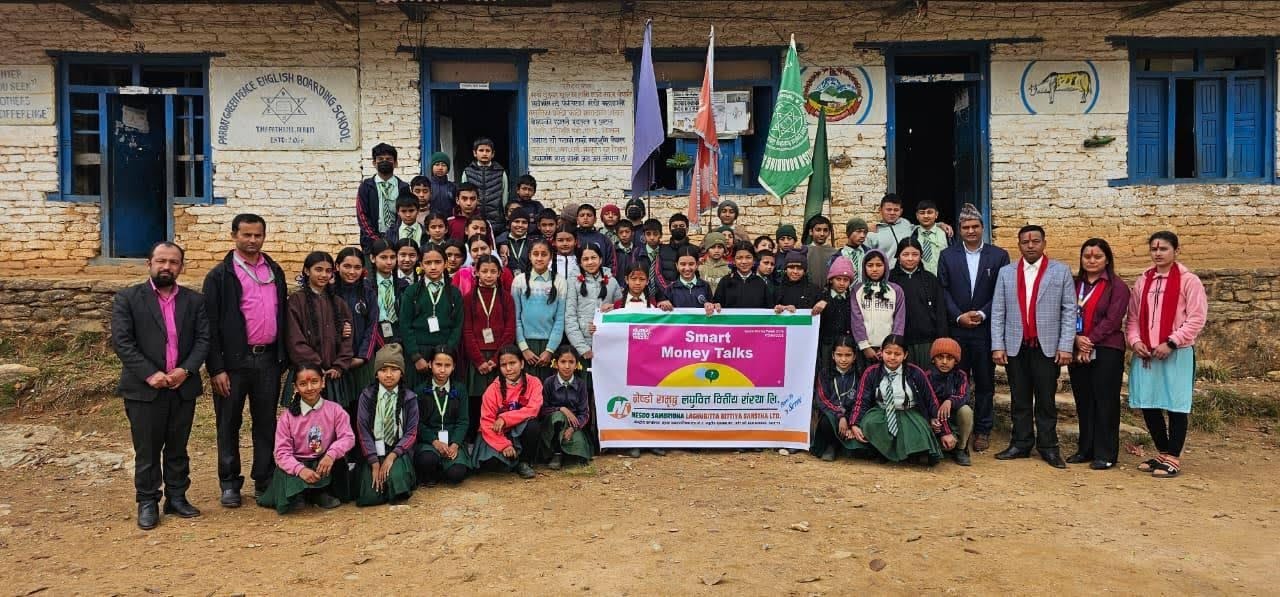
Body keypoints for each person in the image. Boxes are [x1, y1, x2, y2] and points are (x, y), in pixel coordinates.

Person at [111, 241, 209, 530]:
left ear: (181, 267)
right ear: (149, 264)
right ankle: (147, 501)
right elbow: (123, 342)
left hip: (182, 387)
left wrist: (186, 370)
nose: (167, 267)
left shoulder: (194, 301)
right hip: (144, 389)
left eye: (173, 262)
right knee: (148, 449)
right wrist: (149, 374)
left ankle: (176, 497)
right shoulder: (128, 299)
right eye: (161, 261)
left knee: (178, 447)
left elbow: (203, 339)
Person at [203, 213, 288, 508]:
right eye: (246, 235)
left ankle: (264, 479)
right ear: (234, 236)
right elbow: (210, 326)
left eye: (258, 235)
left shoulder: (274, 271)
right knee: (229, 422)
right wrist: (216, 368)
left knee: (266, 422)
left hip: (267, 361)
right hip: (233, 364)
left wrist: (282, 358)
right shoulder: (219, 276)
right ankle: (229, 483)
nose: (252, 240)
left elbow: (282, 313)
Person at [991, 225, 1077, 469]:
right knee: (1019, 398)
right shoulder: (1006, 272)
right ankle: (1021, 442)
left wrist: (1066, 345)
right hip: (1016, 345)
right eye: (1025, 242)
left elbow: (1069, 310)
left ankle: (1049, 446)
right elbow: (998, 310)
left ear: (1044, 243)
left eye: (1035, 241)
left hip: (1046, 345)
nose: (1030, 246)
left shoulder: (1060, 271)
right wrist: (997, 345)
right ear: (1018, 245)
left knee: (1046, 399)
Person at [1125, 231, 1207, 479]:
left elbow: (1196, 318)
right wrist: (1136, 341)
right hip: (1147, 354)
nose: (1158, 253)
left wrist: (1171, 342)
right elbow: (1133, 317)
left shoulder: (1189, 281)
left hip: (1176, 353)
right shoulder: (1144, 281)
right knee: (1148, 402)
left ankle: (1173, 456)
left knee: (1176, 404)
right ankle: (1162, 452)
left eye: (1163, 249)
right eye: (1154, 249)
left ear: (1176, 251)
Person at [937, 203, 1009, 452]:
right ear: (959, 230)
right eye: (966, 227)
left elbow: (1001, 291)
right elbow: (943, 290)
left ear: (982, 228)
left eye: (975, 226)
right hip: (957, 330)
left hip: (984, 329)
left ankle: (983, 430)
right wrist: (958, 316)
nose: (970, 231)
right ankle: (957, 428)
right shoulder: (948, 255)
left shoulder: (998, 256)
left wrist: (981, 313)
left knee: (985, 382)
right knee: (955, 380)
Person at [1067, 238, 1131, 471]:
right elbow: (1065, 313)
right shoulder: (1074, 284)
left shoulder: (1117, 286)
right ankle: (1085, 449)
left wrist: (1089, 341)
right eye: (1087, 256)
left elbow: (1113, 320)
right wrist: (1076, 340)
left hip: (1106, 349)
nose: (1091, 260)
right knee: (1083, 400)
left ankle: (1106, 453)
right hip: (1076, 347)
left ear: (1107, 260)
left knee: (1105, 401)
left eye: (1097, 256)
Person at [258, 364, 355, 514]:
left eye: (314, 382)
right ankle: (303, 493)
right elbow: (282, 453)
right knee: (285, 474)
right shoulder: (287, 417)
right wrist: (300, 470)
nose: (310, 388)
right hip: (297, 464)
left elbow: (348, 437)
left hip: (324, 463)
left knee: (338, 465)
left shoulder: (335, 410)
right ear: (295, 387)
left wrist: (331, 455)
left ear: (323, 382)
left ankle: (318, 493)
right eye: (303, 384)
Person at [846, 335, 955, 465]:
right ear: (881, 352)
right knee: (869, 424)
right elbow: (861, 400)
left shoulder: (916, 372)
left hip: (909, 413)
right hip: (881, 413)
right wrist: (854, 424)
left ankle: (908, 453)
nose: (892, 357)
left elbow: (931, 401)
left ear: (905, 355)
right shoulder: (872, 372)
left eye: (897, 354)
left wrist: (945, 432)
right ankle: (884, 451)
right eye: (888, 353)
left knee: (918, 434)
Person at [284, 251, 355, 407]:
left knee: (333, 417)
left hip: (334, 375)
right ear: (306, 271)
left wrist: (339, 365)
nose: (324, 275)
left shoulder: (338, 303)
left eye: (328, 271)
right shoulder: (296, 301)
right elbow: (294, 339)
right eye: (318, 269)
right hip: (307, 373)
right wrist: (316, 365)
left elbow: (348, 339)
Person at [355, 344, 419, 505]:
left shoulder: (410, 398)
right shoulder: (367, 396)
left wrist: (392, 456)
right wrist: (374, 463)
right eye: (383, 370)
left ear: (402, 373)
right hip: (373, 451)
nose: (389, 375)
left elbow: (411, 432)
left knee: (398, 487)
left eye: (394, 369)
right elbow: (363, 431)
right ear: (376, 373)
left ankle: (399, 478)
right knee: (370, 497)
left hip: (398, 451)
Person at [462, 254, 517, 439]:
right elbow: (467, 330)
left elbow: (509, 330)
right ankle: (475, 439)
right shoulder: (468, 298)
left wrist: (496, 359)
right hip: (476, 358)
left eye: (493, 271)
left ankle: (499, 436)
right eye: (484, 271)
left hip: (499, 357)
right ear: (476, 272)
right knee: (476, 398)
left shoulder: (506, 298)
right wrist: (479, 360)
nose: (488, 275)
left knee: (499, 398)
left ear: (500, 273)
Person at [400, 246, 464, 391]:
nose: (433, 267)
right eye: (428, 263)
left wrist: (446, 354)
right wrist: (416, 356)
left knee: (443, 395)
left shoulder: (454, 293)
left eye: (438, 262)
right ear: (421, 265)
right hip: (419, 353)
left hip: (445, 354)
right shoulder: (412, 292)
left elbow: (457, 326)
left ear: (445, 263)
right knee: (417, 395)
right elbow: (405, 325)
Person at [475, 345, 544, 479]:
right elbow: (487, 422)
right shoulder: (492, 389)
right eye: (503, 365)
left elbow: (533, 409)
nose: (508, 368)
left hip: (521, 432)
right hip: (498, 433)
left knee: (533, 425)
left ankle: (524, 462)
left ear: (522, 363)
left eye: (512, 363)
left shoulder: (534, 383)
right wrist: (503, 445)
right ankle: (510, 458)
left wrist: (505, 418)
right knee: (492, 465)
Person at [413, 348, 473, 486]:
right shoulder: (420, 390)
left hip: (453, 441)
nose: (442, 370)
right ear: (430, 364)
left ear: (454, 367)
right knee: (427, 460)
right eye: (438, 364)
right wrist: (434, 442)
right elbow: (418, 423)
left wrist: (455, 444)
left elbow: (463, 421)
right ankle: (434, 470)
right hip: (430, 442)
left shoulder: (460, 389)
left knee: (456, 474)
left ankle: (445, 468)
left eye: (447, 365)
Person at [333, 247, 379, 425]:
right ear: (337, 266)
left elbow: (372, 326)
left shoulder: (368, 292)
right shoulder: (330, 291)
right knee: (339, 409)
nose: (352, 272)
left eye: (357, 267)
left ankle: (362, 442)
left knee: (362, 408)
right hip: (335, 362)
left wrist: (362, 356)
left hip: (361, 361)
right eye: (347, 266)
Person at [513, 239, 566, 382]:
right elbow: (516, 318)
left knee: (547, 388)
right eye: (535, 254)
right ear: (529, 256)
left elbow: (560, 319)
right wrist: (524, 348)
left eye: (544, 254)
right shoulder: (519, 281)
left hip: (550, 344)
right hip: (525, 344)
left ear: (551, 256)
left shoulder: (559, 281)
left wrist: (550, 350)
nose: (539, 258)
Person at [564, 243, 622, 376]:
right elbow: (569, 317)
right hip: (583, 345)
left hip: (608, 344)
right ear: (580, 262)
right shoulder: (573, 282)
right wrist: (582, 347)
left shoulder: (612, 281)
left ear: (600, 259)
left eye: (593, 258)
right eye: (585, 259)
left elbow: (621, 309)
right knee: (585, 383)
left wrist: (613, 308)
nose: (590, 262)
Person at [890, 238, 948, 367]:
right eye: (905, 254)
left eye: (915, 254)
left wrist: (942, 338)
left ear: (921, 256)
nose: (910, 258)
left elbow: (940, 311)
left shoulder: (930, 279)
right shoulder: (890, 279)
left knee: (926, 375)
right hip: (899, 341)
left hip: (927, 341)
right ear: (898, 256)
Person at [849, 250, 905, 373]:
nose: (874, 269)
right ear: (864, 267)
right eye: (870, 265)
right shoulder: (857, 290)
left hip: (889, 350)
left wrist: (891, 346)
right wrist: (865, 346)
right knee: (866, 378)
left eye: (879, 265)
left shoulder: (896, 290)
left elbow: (899, 320)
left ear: (886, 266)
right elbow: (856, 320)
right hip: (865, 348)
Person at [540, 346, 594, 469]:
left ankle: (569, 453)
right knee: (559, 417)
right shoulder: (549, 382)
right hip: (552, 425)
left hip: (573, 425)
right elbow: (543, 409)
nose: (567, 366)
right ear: (556, 363)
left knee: (579, 451)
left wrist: (573, 428)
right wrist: (561, 409)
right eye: (563, 362)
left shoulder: (580, 384)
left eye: (571, 362)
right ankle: (556, 453)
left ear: (577, 364)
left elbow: (584, 413)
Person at [810, 335, 861, 462]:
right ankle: (832, 445)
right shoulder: (825, 373)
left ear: (855, 356)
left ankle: (847, 445)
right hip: (833, 415)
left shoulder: (860, 374)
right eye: (839, 355)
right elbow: (822, 399)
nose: (843, 359)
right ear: (833, 355)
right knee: (826, 422)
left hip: (852, 416)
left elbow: (861, 401)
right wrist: (840, 416)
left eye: (848, 355)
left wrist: (851, 422)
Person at [925, 338, 974, 466]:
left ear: (956, 361)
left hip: (952, 418)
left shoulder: (961, 375)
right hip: (935, 420)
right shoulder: (926, 377)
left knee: (966, 411)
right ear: (933, 359)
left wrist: (950, 401)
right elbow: (928, 402)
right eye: (940, 357)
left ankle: (961, 448)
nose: (944, 362)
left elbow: (964, 396)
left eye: (950, 358)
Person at [357, 143, 412, 252]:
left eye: (388, 159)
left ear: (395, 163)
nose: (384, 161)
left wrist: (395, 236)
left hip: (397, 240)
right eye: (380, 159)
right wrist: (375, 239)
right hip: (371, 242)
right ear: (374, 163)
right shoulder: (366, 186)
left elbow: (406, 214)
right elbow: (362, 215)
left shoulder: (403, 187)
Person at [814, 256, 855, 369]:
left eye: (846, 280)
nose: (842, 283)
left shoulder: (852, 299)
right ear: (831, 279)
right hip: (826, 346)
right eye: (838, 279)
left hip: (846, 347)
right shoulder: (821, 297)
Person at [707, 242, 773, 312]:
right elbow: (716, 304)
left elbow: (770, 309)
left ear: (754, 260)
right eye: (739, 258)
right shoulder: (725, 281)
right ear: (734, 260)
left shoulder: (760, 283)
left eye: (748, 257)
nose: (744, 261)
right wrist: (714, 305)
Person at [460, 137, 509, 231]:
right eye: (481, 150)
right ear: (475, 153)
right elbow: (463, 195)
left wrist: (504, 216)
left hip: (496, 221)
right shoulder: (468, 172)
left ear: (493, 154)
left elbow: (504, 197)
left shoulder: (500, 172)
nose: (484, 153)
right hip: (474, 221)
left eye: (488, 151)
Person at [368, 239, 407, 345]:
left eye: (392, 257)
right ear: (372, 258)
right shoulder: (367, 286)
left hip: (399, 334)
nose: (389, 262)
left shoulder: (403, 285)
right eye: (383, 257)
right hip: (374, 334)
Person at [864, 193, 913, 268]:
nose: (892, 213)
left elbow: (921, 228)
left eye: (896, 210)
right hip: (887, 273)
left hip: (908, 272)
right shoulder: (873, 232)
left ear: (901, 211)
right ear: (880, 210)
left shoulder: (906, 224)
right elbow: (865, 258)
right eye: (888, 210)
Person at [911, 200, 951, 275]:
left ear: (936, 214)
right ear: (917, 216)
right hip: (920, 278)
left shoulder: (946, 233)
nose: (926, 216)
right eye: (922, 213)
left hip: (942, 277)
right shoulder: (912, 234)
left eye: (929, 212)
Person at [573, 203, 616, 270]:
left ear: (595, 219)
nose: (585, 218)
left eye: (589, 215)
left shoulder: (604, 239)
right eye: (582, 215)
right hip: (575, 275)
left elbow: (612, 263)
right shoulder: (572, 238)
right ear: (577, 220)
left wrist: (607, 275)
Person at [829, 217, 869, 286]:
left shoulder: (869, 254)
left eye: (865, 232)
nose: (862, 236)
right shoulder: (837, 257)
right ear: (849, 232)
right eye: (858, 231)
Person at [658, 213, 692, 288]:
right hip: (666, 291)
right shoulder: (661, 250)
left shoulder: (695, 250)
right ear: (670, 229)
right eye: (675, 226)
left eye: (681, 226)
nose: (678, 228)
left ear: (687, 229)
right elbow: (657, 274)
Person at [496, 210, 533, 275]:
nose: (520, 225)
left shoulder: (532, 243)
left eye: (524, 222)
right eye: (517, 221)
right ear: (510, 223)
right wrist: (502, 242)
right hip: (506, 279)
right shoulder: (500, 242)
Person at [803, 215, 837, 285]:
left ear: (829, 233)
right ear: (811, 232)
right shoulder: (804, 251)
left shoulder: (835, 253)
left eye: (825, 230)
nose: (822, 234)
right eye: (818, 230)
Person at [426, 151, 458, 219]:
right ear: (432, 167)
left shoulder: (453, 187)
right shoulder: (427, 186)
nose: (440, 168)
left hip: (449, 221)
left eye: (443, 165)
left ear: (448, 169)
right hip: (431, 221)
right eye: (437, 164)